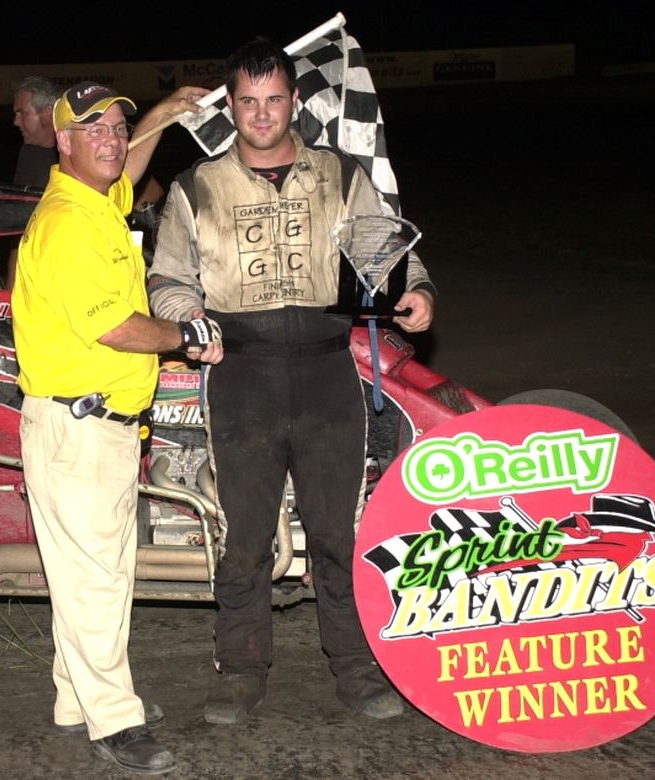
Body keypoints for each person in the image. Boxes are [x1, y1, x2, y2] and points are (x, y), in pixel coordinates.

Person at [147, 38, 436, 725]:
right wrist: (187, 316)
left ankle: (357, 668)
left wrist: (416, 290)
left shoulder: (340, 174)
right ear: (233, 106)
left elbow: (387, 249)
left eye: (274, 99)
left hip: (328, 369)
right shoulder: (197, 188)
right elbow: (166, 280)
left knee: (340, 532)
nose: (262, 113)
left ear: (294, 101)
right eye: (247, 101)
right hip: (241, 375)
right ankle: (241, 672)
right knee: (245, 536)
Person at [11, 81, 223, 775]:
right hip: (78, 427)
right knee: (98, 580)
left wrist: (160, 114)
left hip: (95, 427)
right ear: (60, 141)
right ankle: (114, 719)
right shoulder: (68, 224)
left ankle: (77, 699)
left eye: (117, 126)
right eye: (92, 129)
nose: (110, 139)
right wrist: (189, 335)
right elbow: (117, 328)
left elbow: (124, 169)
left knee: (88, 575)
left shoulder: (91, 201)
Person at [5, 76, 60, 291]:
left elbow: (150, 189)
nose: (15, 121)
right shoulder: (29, 154)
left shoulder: (79, 148)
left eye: (22, 113)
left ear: (47, 112)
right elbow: (19, 230)